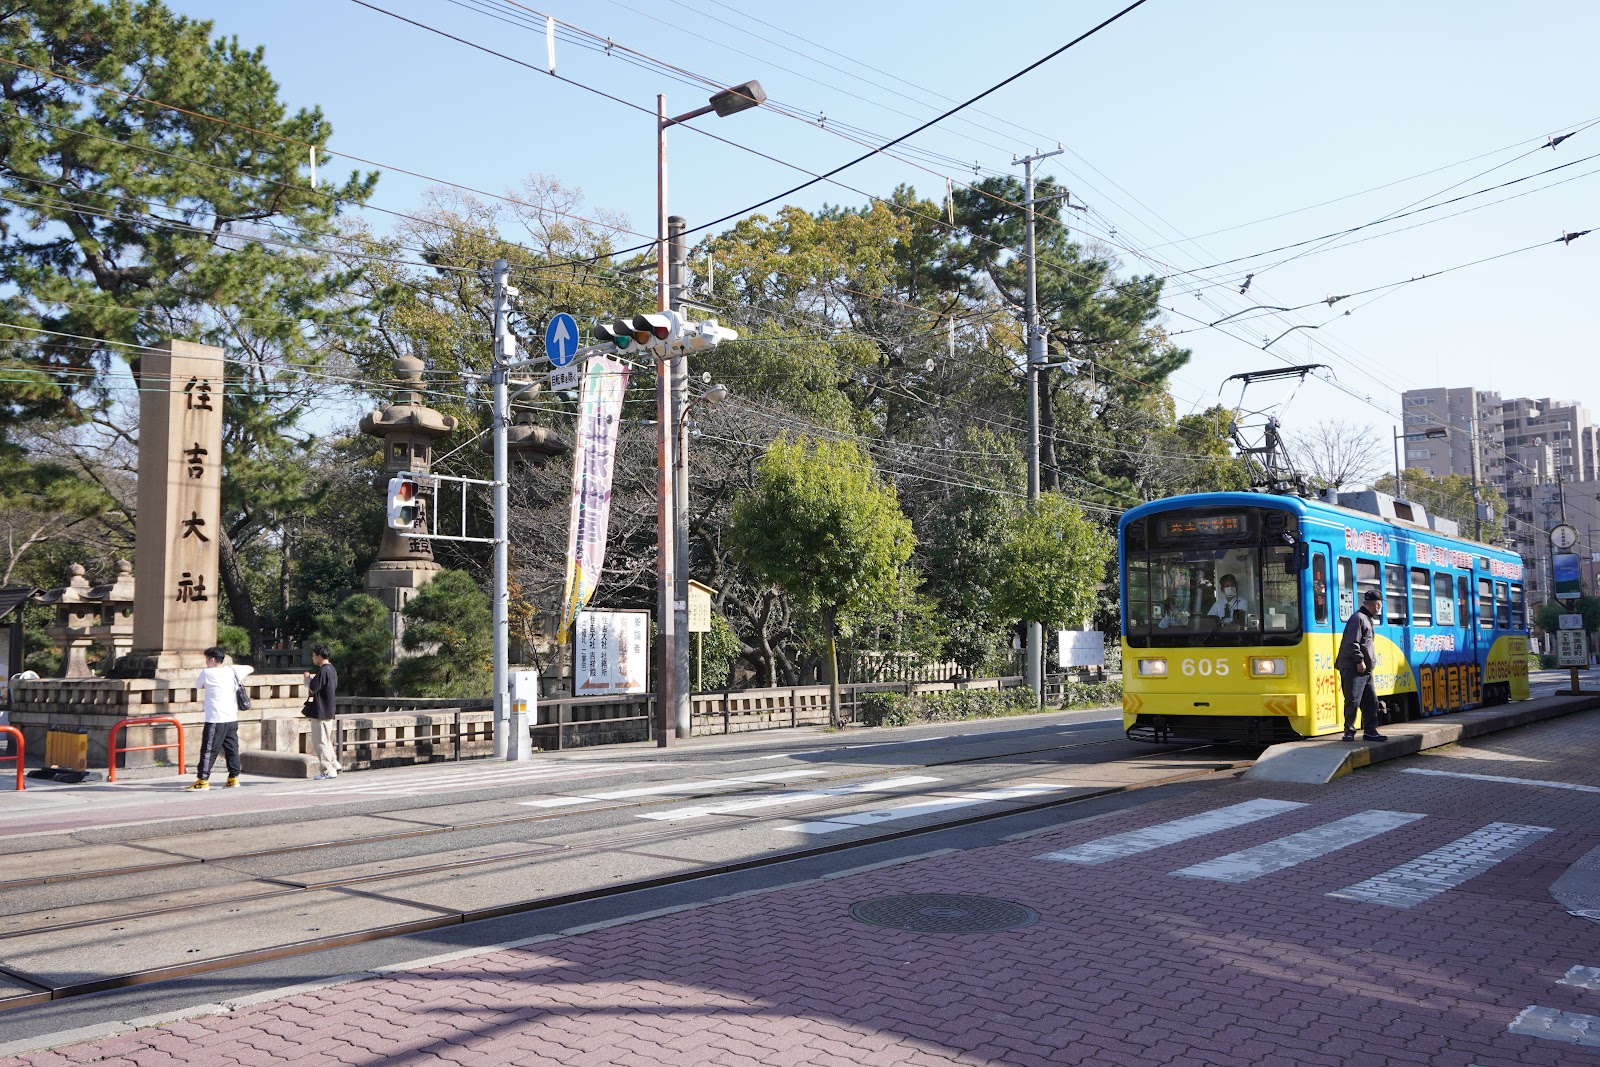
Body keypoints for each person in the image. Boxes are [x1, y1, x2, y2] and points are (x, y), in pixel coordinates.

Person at [189, 647, 253, 790]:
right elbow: (250, 668)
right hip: (231, 718)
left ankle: (203, 780)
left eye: (207, 659)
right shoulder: (232, 671)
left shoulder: (207, 673)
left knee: (209, 749)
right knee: (232, 749)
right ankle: (233, 778)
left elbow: (197, 685)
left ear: (212, 660)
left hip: (215, 719)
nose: (206, 662)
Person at [1335, 590, 1388, 742]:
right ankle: (1349, 732)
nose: (1381, 607)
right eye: (1381, 604)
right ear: (1377, 605)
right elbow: (1352, 642)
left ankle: (1370, 731)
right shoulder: (1358, 618)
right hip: (1354, 667)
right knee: (1353, 699)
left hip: (1365, 669)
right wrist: (1359, 660)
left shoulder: (1366, 618)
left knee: (1371, 700)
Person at [304, 644, 340, 780]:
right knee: (326, 740)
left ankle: (327, 769)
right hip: (329, 710)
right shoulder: (331, 669)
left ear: (319, 656)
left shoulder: (323, 670)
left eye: (313, 655)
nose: (312, 658)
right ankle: (333, 763)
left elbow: (313, 688)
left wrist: (307, 679)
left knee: (320, 742)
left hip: (321, 710)